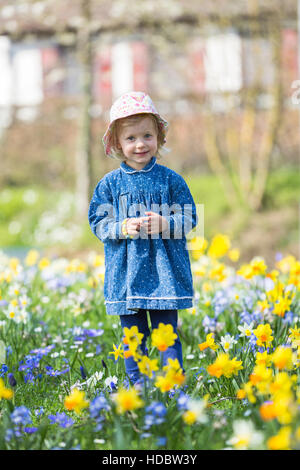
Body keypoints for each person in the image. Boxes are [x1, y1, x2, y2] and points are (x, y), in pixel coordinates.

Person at [88, 91, 198, 385]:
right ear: (116, 145)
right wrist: (121, 227)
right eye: (131, 138)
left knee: (166, 334)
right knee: (132, 337)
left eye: (147, 135)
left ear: (159, 138)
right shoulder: (109, 184)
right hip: (126, 274)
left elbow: (190, 218)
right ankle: (137, 384)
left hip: (165, 273)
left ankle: (172, 382)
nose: (140, 144)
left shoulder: (171, 180)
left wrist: (166, 223)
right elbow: (98, 222)